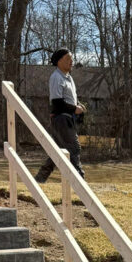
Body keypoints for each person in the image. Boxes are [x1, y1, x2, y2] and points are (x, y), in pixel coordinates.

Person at [35, 48, 85, 184]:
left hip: (67, 119)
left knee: (58, 152)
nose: (71, 61)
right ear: (59, 61)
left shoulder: (69, 78)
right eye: (68, 59)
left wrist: (78, 105)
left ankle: (40, 179)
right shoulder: (56, 77)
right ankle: (80, 183)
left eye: (72, 59)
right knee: (74, 148)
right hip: (62, 119)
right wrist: (75, 108)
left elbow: (68, 98)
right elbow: (57, 102)